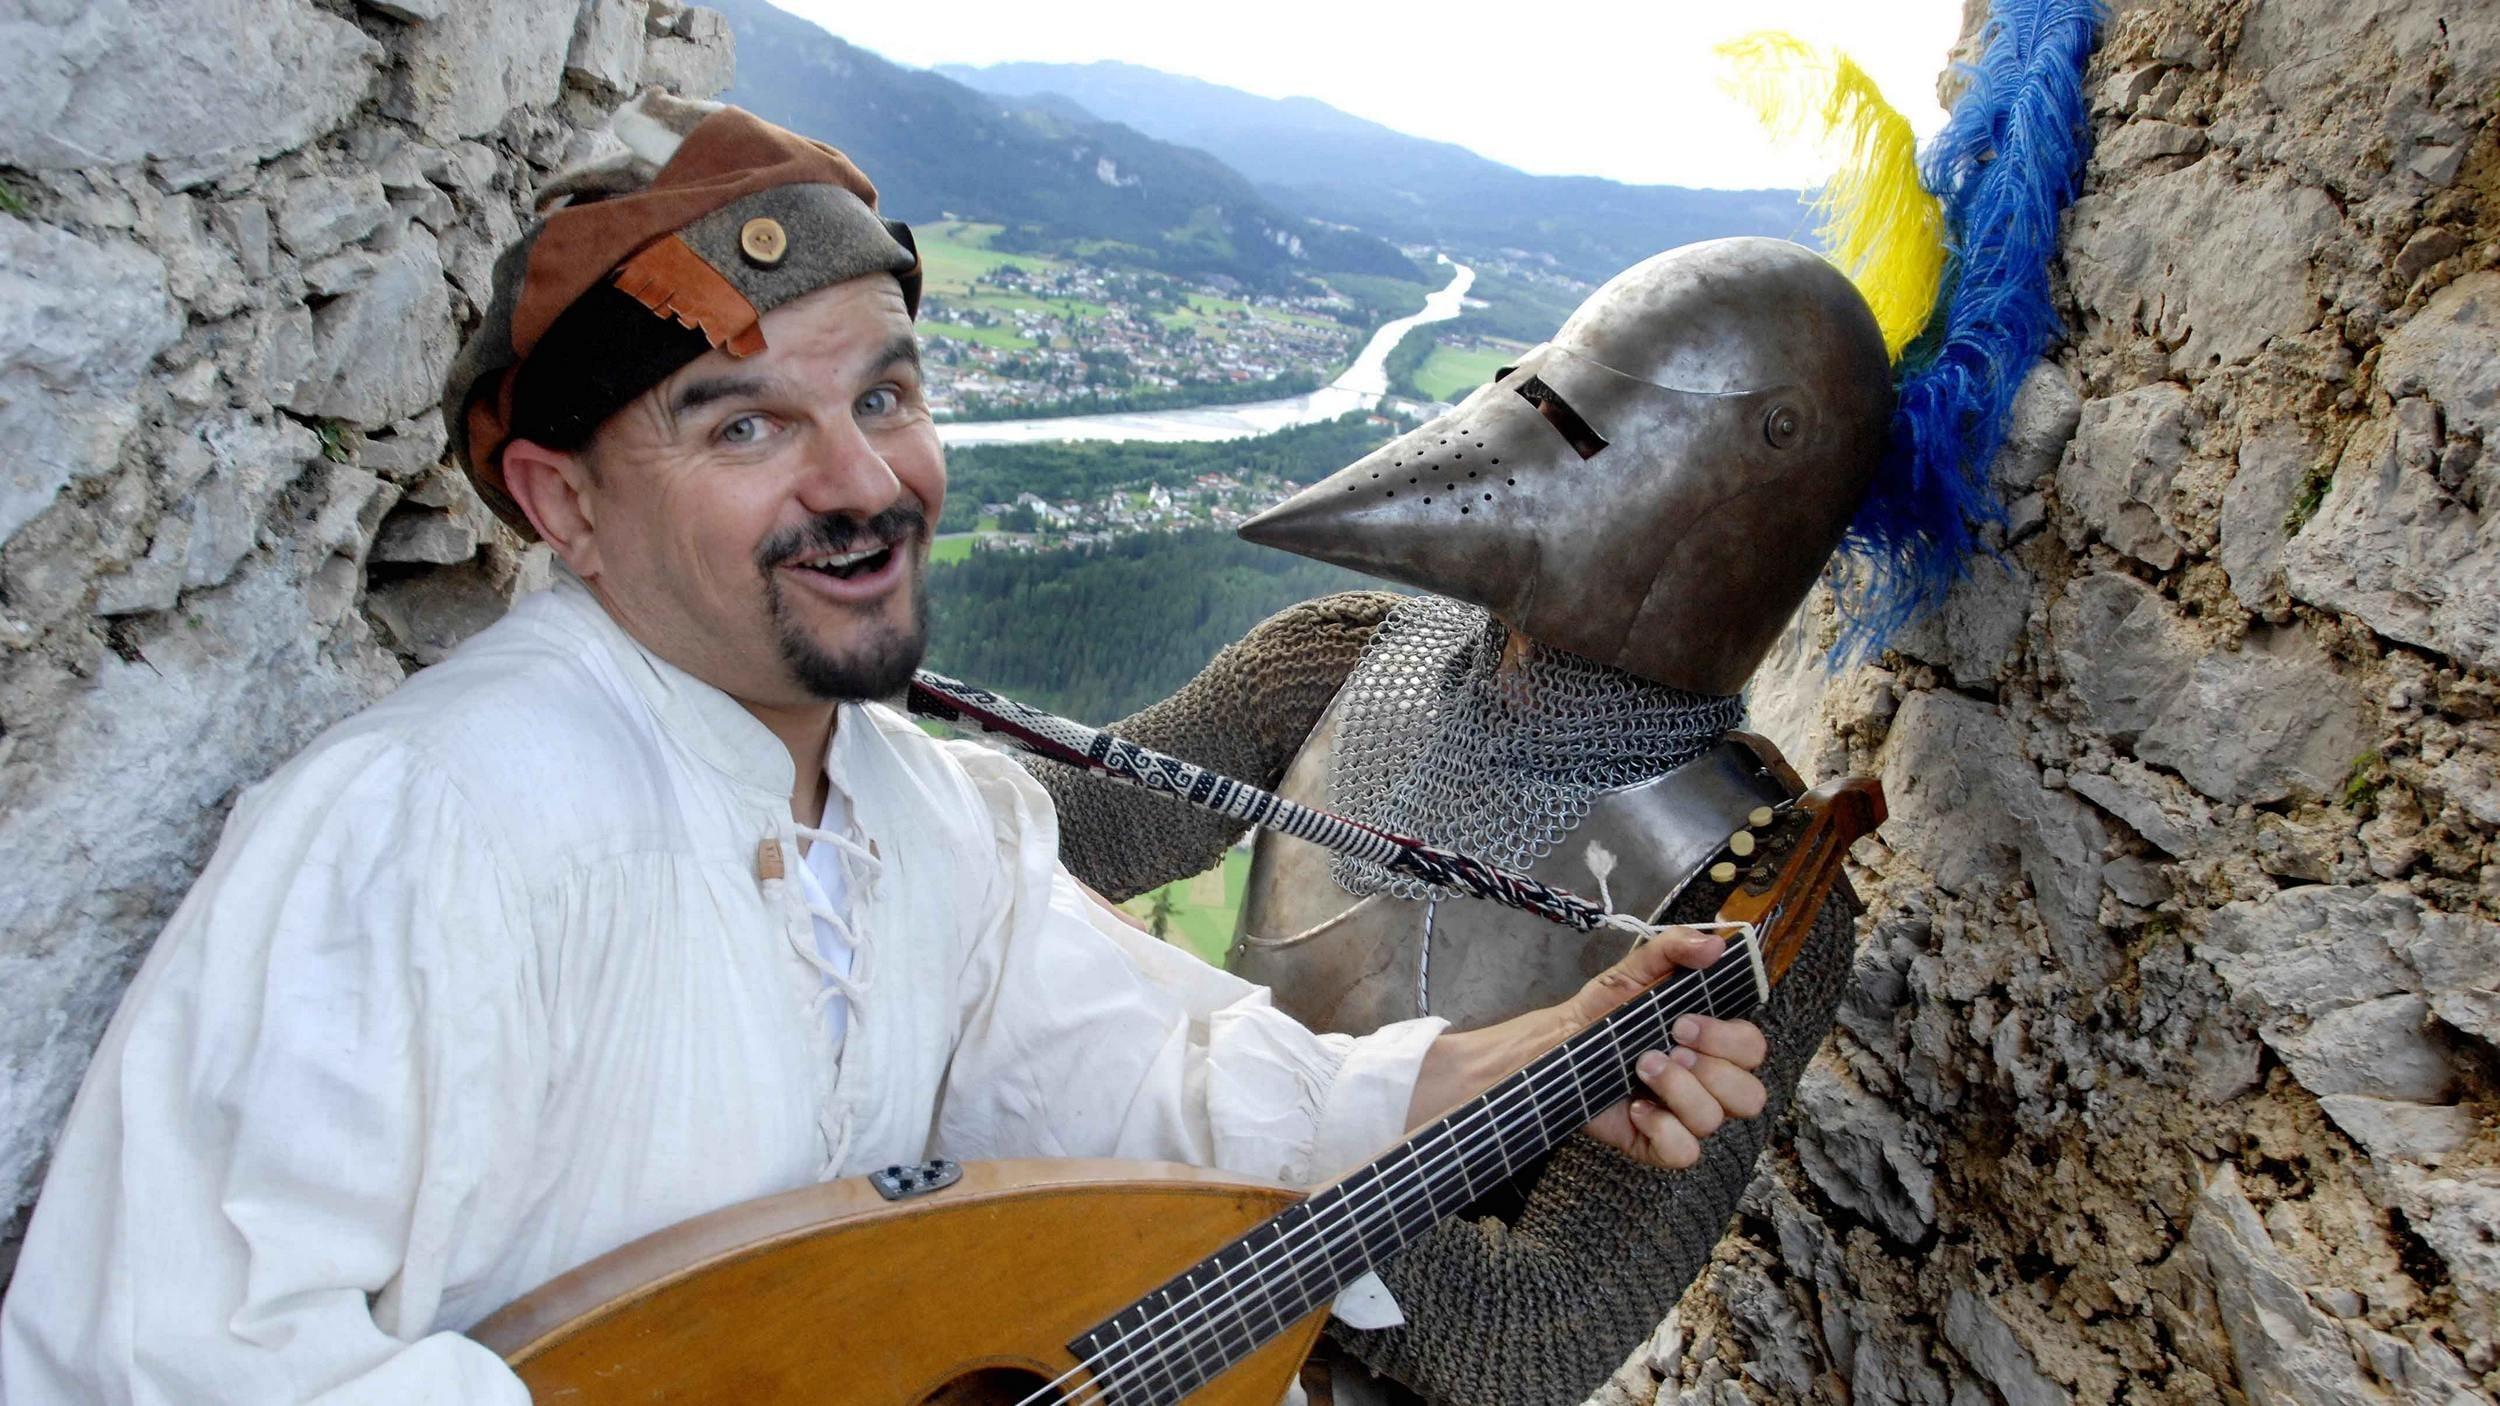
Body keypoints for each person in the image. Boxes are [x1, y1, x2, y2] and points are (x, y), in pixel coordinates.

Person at [0, 93, 1769, 1405]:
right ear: (564, 502)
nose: (862, 481)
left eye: (887, 394)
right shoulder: (410, 838)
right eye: (745, 420)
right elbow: (155, 1370)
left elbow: (1120, 1066)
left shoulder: (914, 807)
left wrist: (1495, 1072)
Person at [1033, 239, 1893, 1405]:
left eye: (1579, 425)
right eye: (1539, 395)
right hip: (1105, 1281)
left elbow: (1528, 1331)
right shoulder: (1336, 657)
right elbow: (1057, 831)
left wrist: (1183, 1139)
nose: (1523, 431)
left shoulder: (1748, 888)